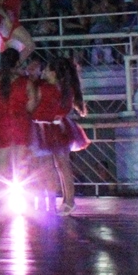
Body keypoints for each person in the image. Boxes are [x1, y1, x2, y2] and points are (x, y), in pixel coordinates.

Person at [31, 58, 90, 215]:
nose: (43, 72)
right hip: (59, 127)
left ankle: (48, 201)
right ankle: (68, 201)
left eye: (47, 70)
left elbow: (33, 106)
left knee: (46, 166)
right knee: (63, 166)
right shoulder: (67, 89)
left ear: (54, 73)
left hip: (44, 127)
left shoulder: (44, 87)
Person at [0, 48, 32, 214]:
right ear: (17, 62)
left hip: (1, 124)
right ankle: (23, 204)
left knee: (1, 167)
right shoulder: (25, 81)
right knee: (20, 165)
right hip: (20, 123)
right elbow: (31, 104)